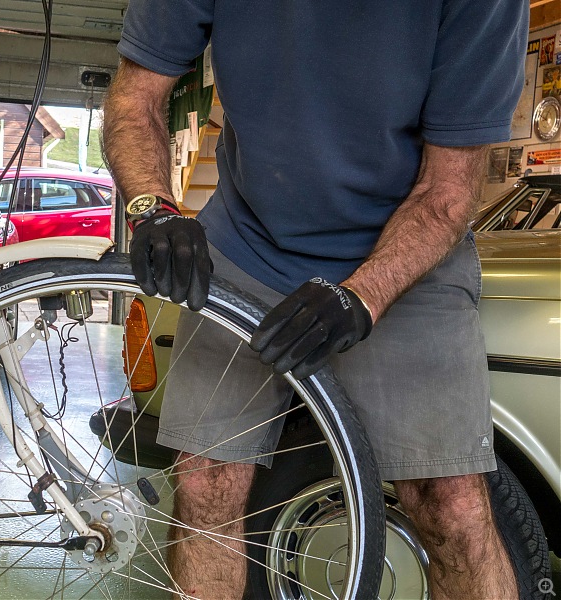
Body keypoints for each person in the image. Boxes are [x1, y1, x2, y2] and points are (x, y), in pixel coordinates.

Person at [102, 2, 528, 599]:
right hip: (250, 241)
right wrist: (152, 206)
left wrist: (362, 297)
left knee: (451, 505)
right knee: (204, 483)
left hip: (406, 252)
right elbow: (134, 96)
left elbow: (449, 191)